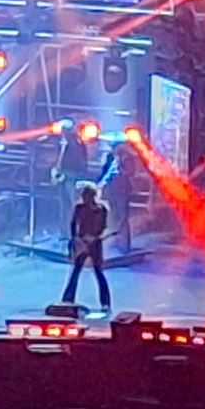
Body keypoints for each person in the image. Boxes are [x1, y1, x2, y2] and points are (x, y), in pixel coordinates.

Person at [60, 184, 112, 312]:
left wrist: (96, 237)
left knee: (98, 272)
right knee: (76, 271)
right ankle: (67, 299)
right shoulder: (79, 208)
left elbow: (104, 227)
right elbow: (73, 225)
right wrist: (77, 240)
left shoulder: (101, 209)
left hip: (94, 243)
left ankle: (105, 302)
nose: (84, 198)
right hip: (82, 243)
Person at [51, 126, 89, 240]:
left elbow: (62, 159)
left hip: (70, 175)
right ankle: (68, 232)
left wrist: (58, 169)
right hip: (70, 175)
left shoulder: (69, 142)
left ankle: (73, 232)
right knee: (67, 205)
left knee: (71, 204)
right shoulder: (77, 142)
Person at [99, 144, 133, 254]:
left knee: (122, 217)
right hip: (111, 190)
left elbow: (130, 172)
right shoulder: (109, 157)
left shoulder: (127, 158)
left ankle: (124, 245)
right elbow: (105, 173)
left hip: (122, 190)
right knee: (113, 216)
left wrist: (120, 166)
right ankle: (115, 240)